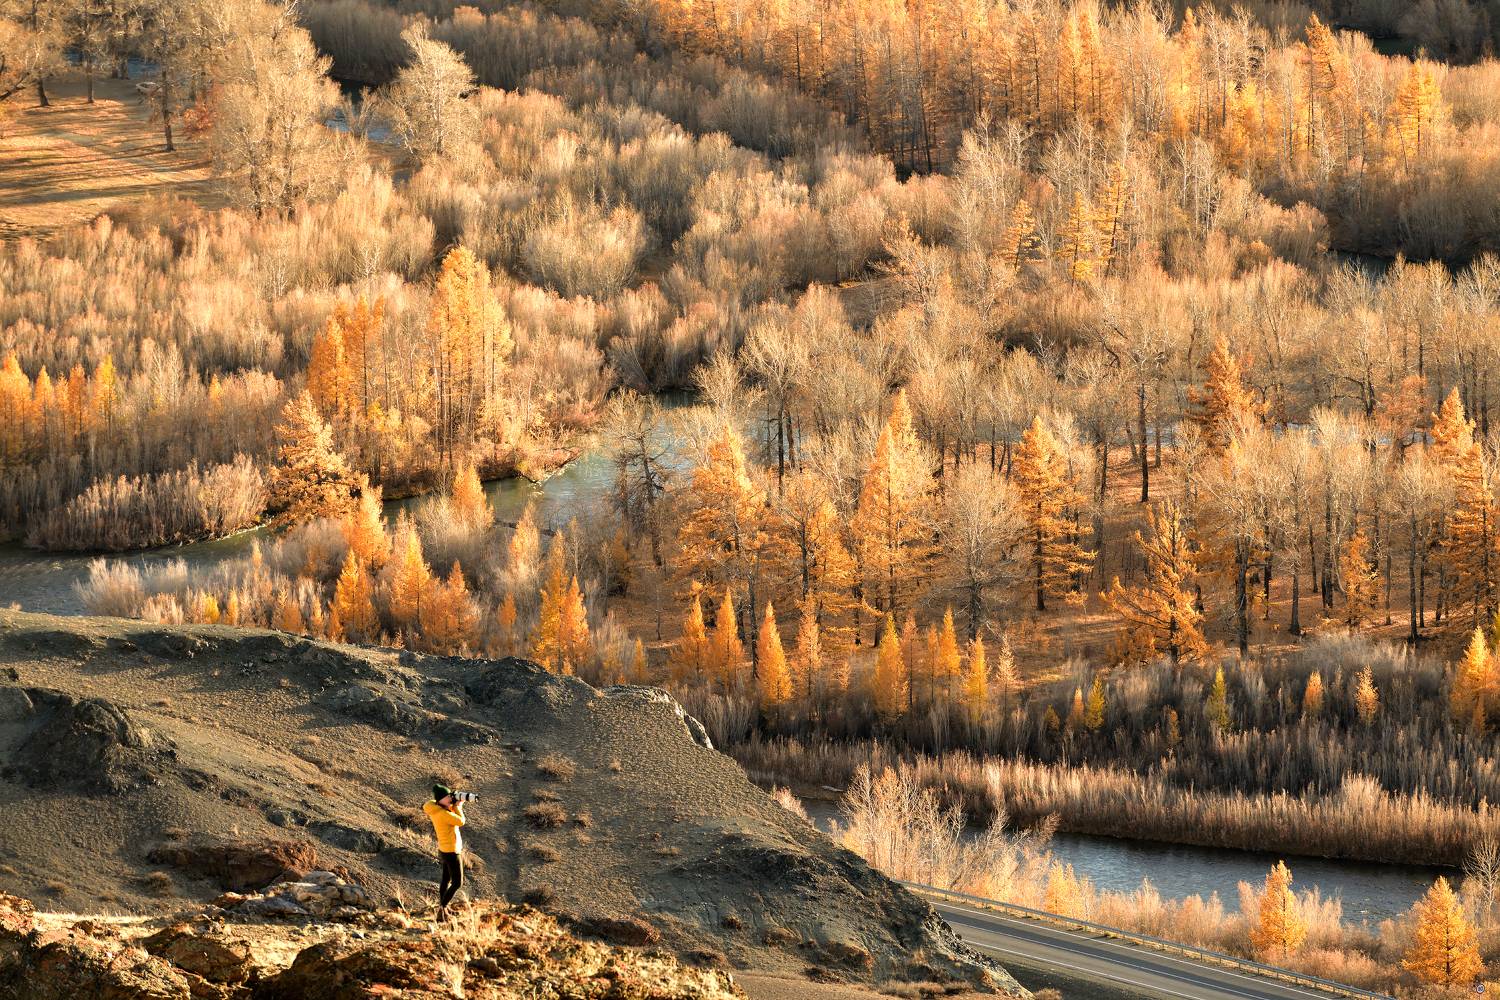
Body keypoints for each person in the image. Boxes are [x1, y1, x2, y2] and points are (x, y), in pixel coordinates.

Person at [423, 784, 467, 919]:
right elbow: (460, 821)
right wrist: (458, 806)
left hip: (444, 849)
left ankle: (444, 909)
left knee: (445, 880)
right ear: (439, 800)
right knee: (457, 883)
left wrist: (451, 803)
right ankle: (442, 909)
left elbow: (434, 803)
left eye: (450, 796)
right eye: (447, 797)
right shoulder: (443, 814)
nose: (449, 798)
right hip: (452, 851)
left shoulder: (435, 809)